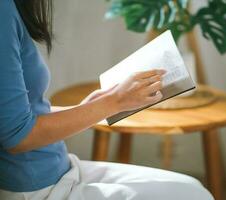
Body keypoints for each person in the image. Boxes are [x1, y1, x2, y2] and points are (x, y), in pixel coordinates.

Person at [0, 0, 214, 199]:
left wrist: (87, 108)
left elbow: (18, 114)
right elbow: (18, 136)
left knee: (192, 188)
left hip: (59, 169)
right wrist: (113, 102)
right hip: (37, 188)